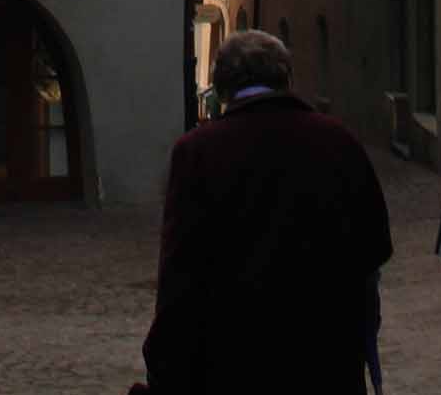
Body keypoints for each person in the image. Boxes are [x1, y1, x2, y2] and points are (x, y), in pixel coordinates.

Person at [136, 29, 391, 394]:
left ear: (221, 87)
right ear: (286, 79)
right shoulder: (338, 141)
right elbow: (372, 250)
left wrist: (165, 370)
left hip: (231, 362)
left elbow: (180, 272)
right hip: (324, 360)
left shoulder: (198, 152)